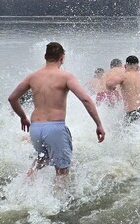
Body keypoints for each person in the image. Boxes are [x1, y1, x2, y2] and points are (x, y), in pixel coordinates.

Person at [8, 42, 105, 178]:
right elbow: (86, 100)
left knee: (42, 159)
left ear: (45, 57)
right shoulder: (66, 77)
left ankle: (25, 184)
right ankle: (60, 198)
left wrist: (23, 117)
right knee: (62, 171)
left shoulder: (32, 77)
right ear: (62, 58)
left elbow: (12, 98)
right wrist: (99, 124)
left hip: (35, 129)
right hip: (54, 128)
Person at [104, 55, 140, 123]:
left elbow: (109, 84)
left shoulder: (123, 76)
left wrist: (111, 89)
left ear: (125, 66)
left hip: (133, 113)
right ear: (138, 68)